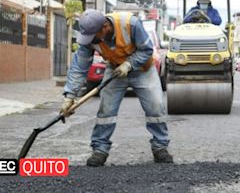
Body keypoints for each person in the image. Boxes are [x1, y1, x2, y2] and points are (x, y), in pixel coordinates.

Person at [60, 9, 173, 166]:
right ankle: (100, 149)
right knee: (106, 110)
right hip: (115, 70)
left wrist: (129, 64)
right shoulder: (90, 39)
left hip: (143, 70)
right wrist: (70, 96)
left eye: (94, 36)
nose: (91, 40)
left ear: (105, 27)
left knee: (155, 107)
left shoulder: (130, 23)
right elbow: (80, 66)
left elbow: (147, 49)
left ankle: (160, 147)